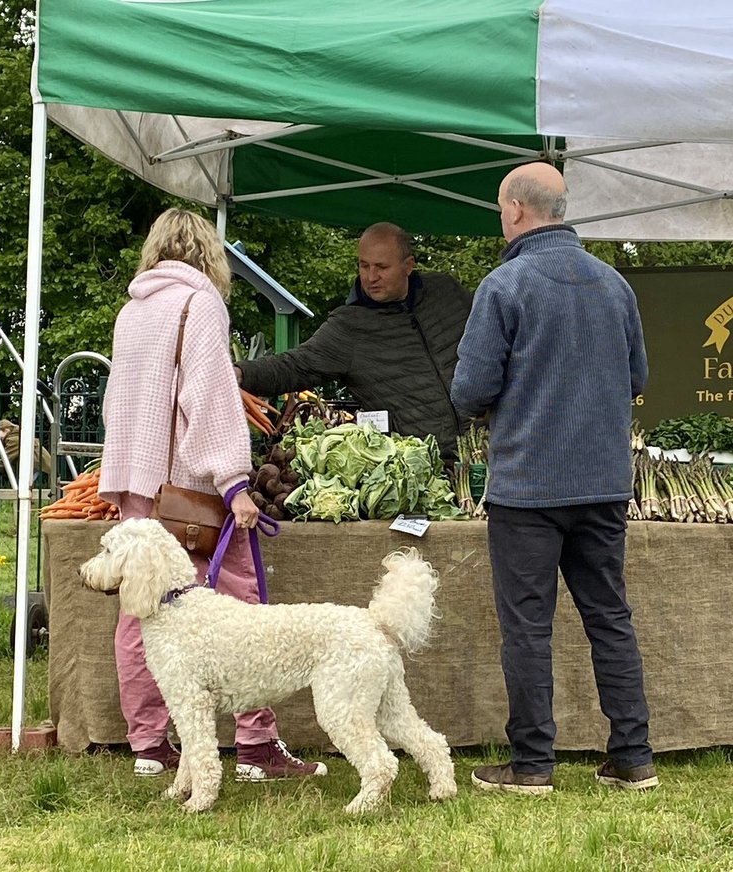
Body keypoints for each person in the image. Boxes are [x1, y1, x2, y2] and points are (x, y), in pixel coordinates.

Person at [451, 162, 658, 794]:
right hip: (602, 481)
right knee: (609, 617)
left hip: (528, 486)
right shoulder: (614, 285)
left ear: (515, 210)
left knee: (528, 627)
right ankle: (632, 756)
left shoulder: (504, 285)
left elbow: (469, 389)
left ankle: (533, 764)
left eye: (498, 208)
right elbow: (637, 380)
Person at [98, 207, 326, 781]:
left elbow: (119, 404)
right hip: (190, 490)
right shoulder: (200, 305)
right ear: (208, 255)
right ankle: (255, 745)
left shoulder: (133, 311)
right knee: (242, 606)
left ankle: (149, 745)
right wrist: (234, 484)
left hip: (138, 483)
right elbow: (211, 400)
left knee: (141, 613)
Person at [234, 222, 472, 458]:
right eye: (364, 266)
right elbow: (296, 364)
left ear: (408, 266)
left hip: (488, 449)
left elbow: (495, 339)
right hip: (424, 468)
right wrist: (239, 373)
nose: (371, 277)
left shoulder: (446, 292)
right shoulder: (349, 326)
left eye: (381, 267)